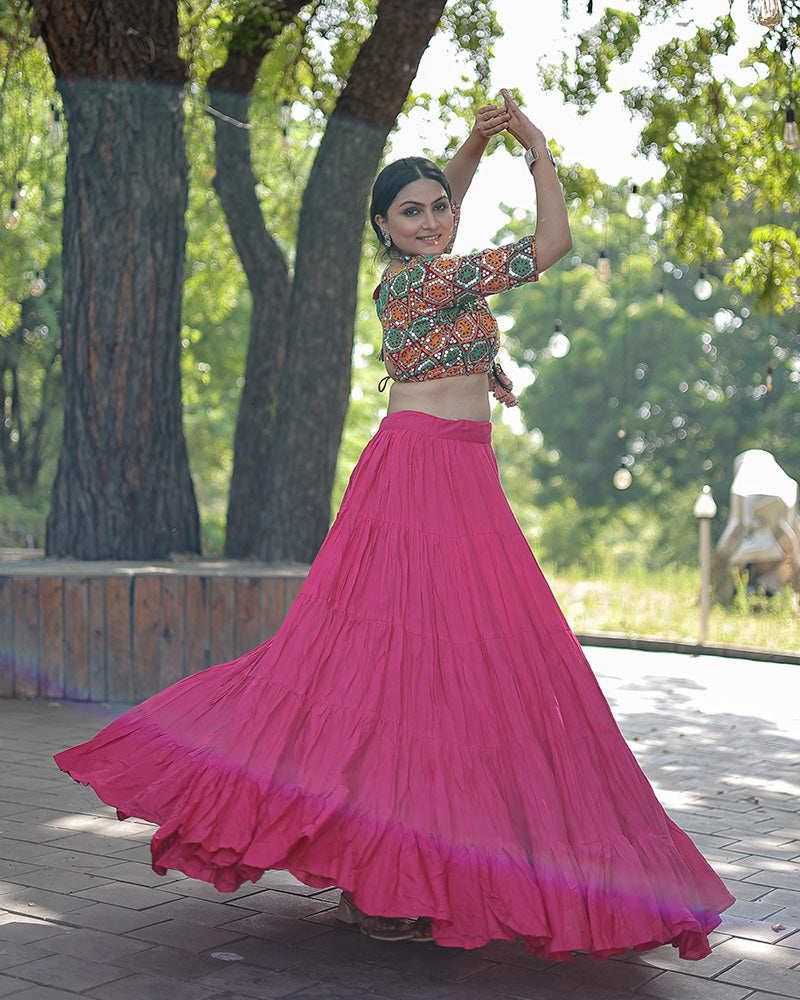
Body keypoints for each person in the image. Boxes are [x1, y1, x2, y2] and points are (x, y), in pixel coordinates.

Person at [55, 90, 734, 959]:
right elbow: (553, 245)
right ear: (383, 228)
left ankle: (388, 872)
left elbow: (436, 207)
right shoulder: (420, 279)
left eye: (438, 206)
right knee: (395, 672)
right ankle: (382, 875)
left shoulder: (432, 262)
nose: (431, 218)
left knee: (440, 676)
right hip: (418, 478)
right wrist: (532, 144)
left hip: (459, 473)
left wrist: (469, 149)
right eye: (408, 213)